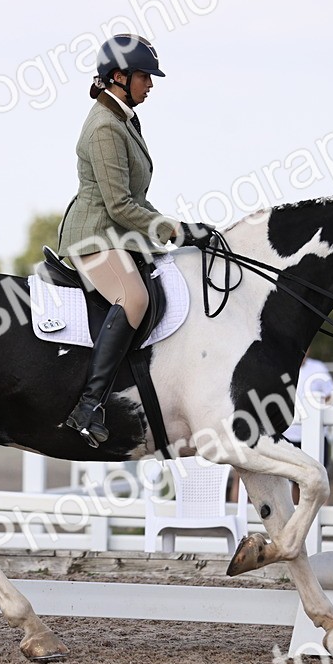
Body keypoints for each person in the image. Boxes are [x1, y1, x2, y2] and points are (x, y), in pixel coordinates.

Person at [58, 34, 211, 447]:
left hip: (118, 235)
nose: (151, 83)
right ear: (119, 77)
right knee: (135, 299)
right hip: (93, 236)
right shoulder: (105, 126)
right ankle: (89, 406)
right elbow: (122, 205)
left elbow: (133, 203)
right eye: (145, 76)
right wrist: (177, 230)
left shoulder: (122, 118)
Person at [279, 351, 333, 503]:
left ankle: (321, 519)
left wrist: (319, 409)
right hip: (289, 434)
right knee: (295, 481)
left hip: (315, 435)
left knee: (319, 480)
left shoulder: (318, 368)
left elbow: (330, 394)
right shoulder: (282, 366)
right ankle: (297, 518)